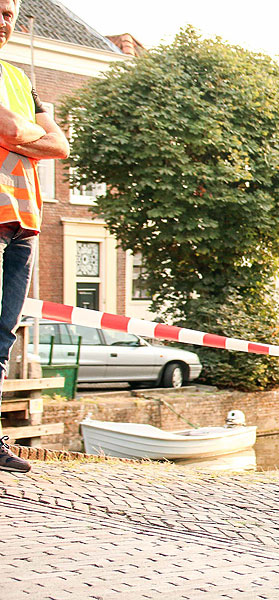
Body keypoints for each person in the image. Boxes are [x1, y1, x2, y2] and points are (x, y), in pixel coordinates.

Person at [0, 0, 69, 474]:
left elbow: (60, 144)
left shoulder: (20, 80)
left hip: (23, 220)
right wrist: (28, 135)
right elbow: (7, 127)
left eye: (7, 13)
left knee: (2, 335)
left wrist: (19, 134)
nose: (2, 21)